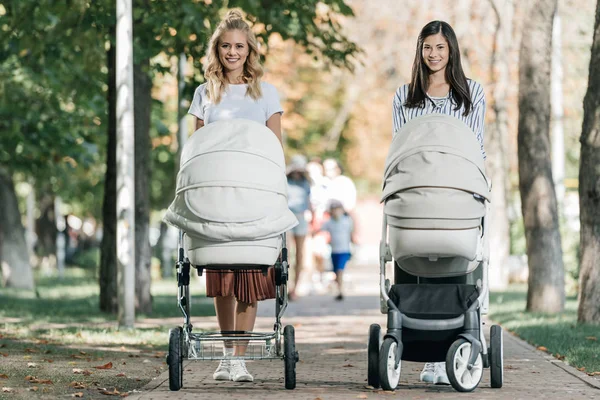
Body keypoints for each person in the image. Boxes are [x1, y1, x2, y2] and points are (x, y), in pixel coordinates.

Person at [187, 9, 284, 383]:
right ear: (217, 49)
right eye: (225, 46)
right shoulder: (204, 93)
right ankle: (227, 354)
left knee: (250, 277)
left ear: (250, 50)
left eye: (239, 46)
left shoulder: (265, 93)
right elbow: (196, 148)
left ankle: (240, 358)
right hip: (218, 196)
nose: (232, 52)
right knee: (223, 276)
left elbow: (275, 147)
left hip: (254, 194)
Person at [391, 20, 486, 386]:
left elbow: (476, 145)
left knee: (453, 265)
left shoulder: (471, 93)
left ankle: (449, 349)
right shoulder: (404, 96)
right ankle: (423, 352)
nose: (433, 55)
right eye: (427, 47)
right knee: (414, 260)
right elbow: (399, 147)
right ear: (420, 50)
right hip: (417, 191)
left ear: (451, 51)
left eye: (440, 48)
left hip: (457, 192)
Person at [286, 154, 312, 300]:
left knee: (300, 254)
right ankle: (287, 286)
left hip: (301, 217)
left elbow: (308, 201)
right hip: (288, 216)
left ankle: (295, 288)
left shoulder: (306, 183)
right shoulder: (286, 181)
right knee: (287, 253)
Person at [318, 200, 354, 301]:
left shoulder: (347, 221)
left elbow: (352, 232)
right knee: (336, 272)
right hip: (334, 251)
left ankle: (341, 290)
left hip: (344, 250)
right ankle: (339, 288)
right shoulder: (329, 223)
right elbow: (320, 229)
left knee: (340, 270)